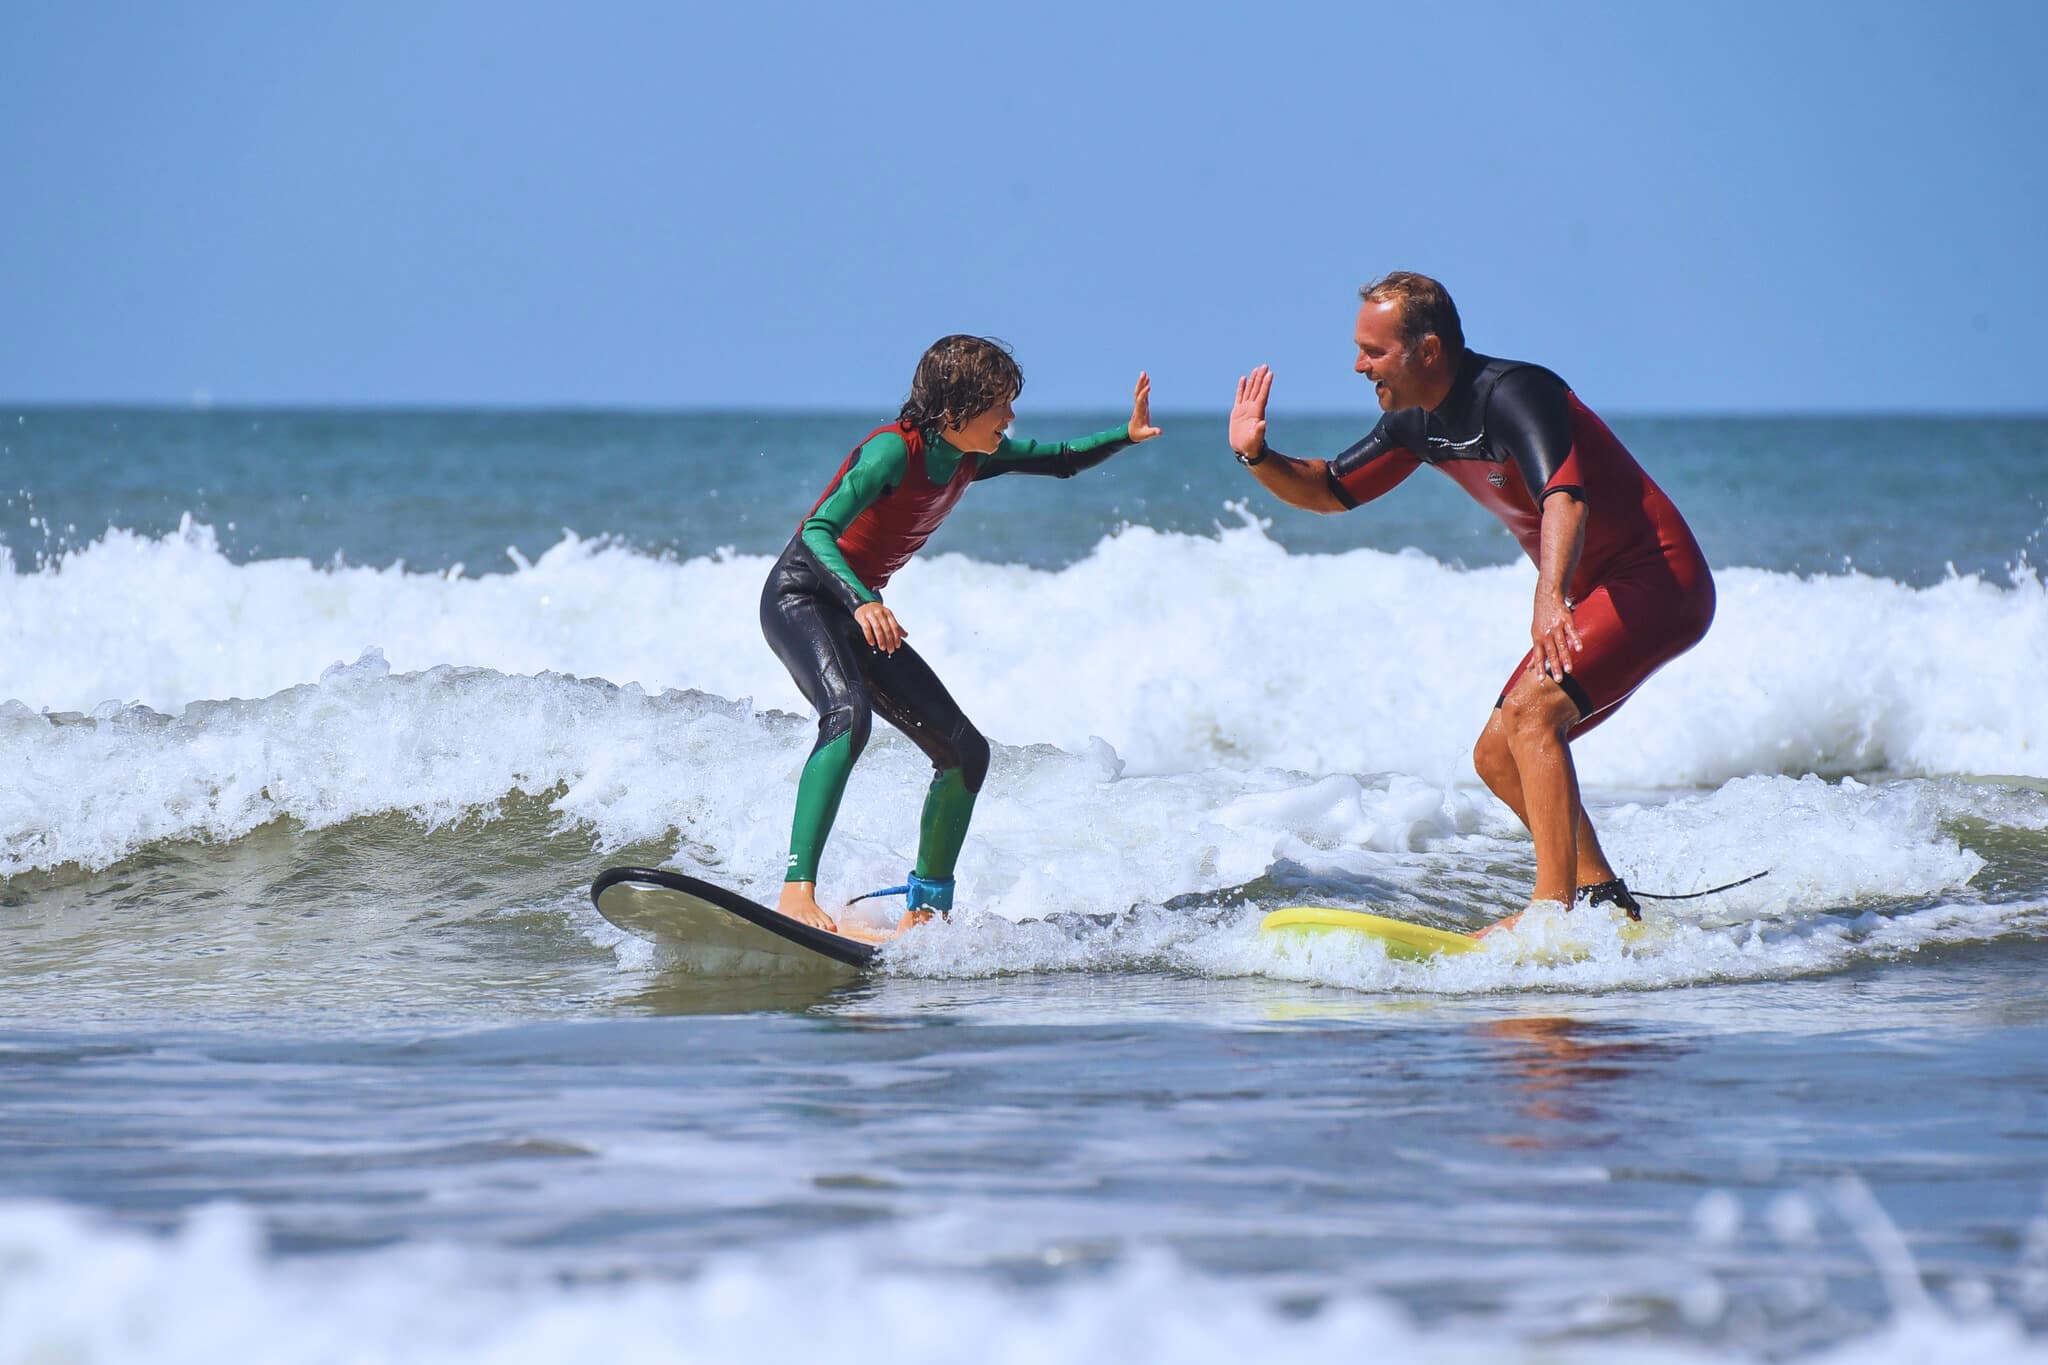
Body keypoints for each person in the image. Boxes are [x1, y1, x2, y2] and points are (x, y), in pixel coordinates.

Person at [1228, 272, 1713, 925]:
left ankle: (1551, 909)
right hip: (1598, 588)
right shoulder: (1414, 425)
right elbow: (1329, 490)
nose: (1357, 364)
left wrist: (1549, 596)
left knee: (1530, 716)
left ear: (1427, 351)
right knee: (1497, 753)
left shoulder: (1517, 394)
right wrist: (1258, 455)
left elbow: (1564, 496)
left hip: (1658, 579)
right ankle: (1603, 901)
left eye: (1374, 351)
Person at [762, 334, 1160, 935]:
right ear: (955, 413)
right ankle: (796, 893)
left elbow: (1059, 458)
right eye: (1000, 404)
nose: (1011, 416)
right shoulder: (890, 454)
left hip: (856, 609)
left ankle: (924, 914)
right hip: (801, 596)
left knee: (965, 753)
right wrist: (865, 600)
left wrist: (1123, 436)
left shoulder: (970, 456)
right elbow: (817, 531)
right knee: (848, 716)